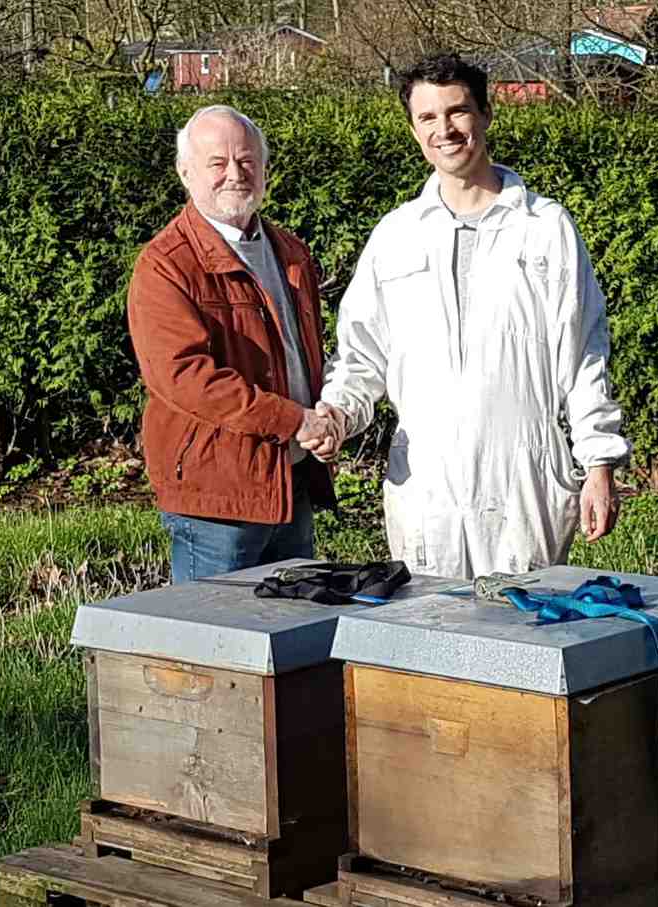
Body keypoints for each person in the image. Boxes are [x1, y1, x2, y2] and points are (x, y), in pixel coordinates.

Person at [314, 54, 630, 580]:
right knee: (428, 636)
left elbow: (582, 353)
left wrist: (598, 464)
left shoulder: (544, 228)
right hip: (425, 479)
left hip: (523, 474)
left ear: (485, 114)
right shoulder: (396, 236)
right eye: (428, 118)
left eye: (457, 112)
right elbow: (362, 355)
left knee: (521, 634)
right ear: (413, 128)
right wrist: (337, 415)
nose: (445, 130)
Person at [127, 104, 343, 583]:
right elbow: (184, 378)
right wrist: (293, 421)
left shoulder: (290, 250)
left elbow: (303, 358)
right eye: (217, 163)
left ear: (264, 168)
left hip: (291, 480)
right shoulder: (167, 264)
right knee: (211, 647)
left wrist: (324, 419)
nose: (235, 175)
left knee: (294, 642)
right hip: (218, 496)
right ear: (186, 173)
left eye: (246, 161)